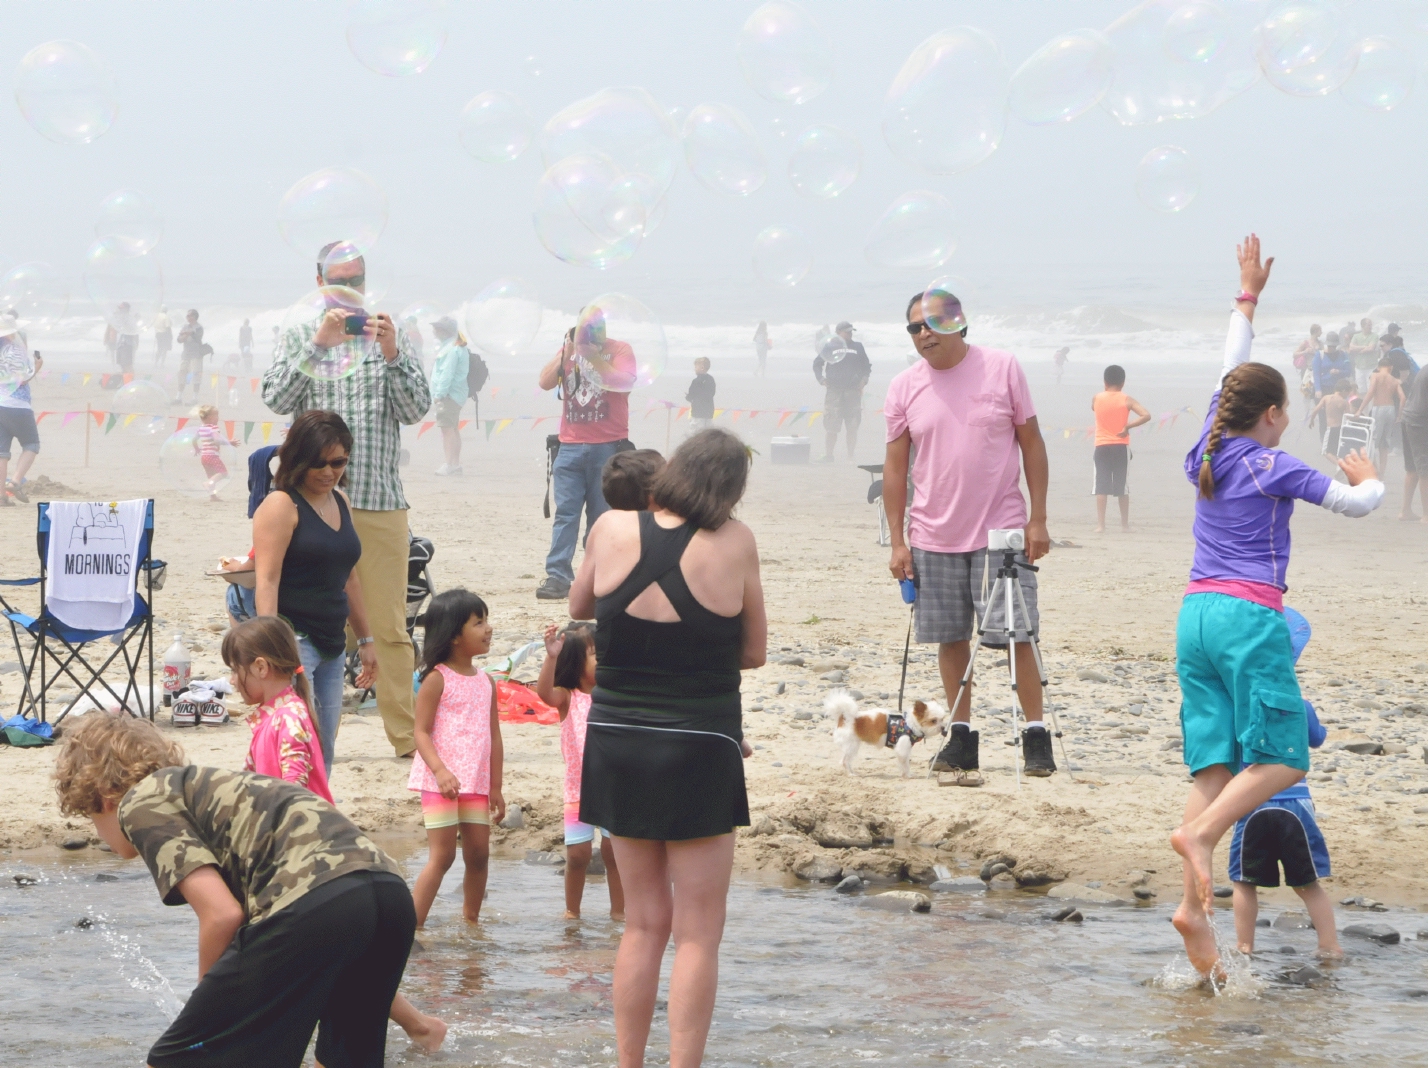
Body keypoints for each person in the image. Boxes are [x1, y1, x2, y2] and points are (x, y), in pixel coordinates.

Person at [1169, 234, 1383, 979]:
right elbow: (1356, 506)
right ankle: (1199, 845)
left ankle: (1194, 910)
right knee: (1285, 758)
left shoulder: (1209, 442)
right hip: (1245, 618)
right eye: (1283, 411)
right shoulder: (1270, 462)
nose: (1287, 422)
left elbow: (1231, 362)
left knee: (1216, 767)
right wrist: (1370, 476)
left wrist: (1247, 295)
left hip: (1192, 617)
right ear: (1270, 414)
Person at [53, 714, 417, 1068]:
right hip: (389, 894)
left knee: (177, 1058)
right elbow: (344, 908)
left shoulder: (139, 802)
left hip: (315, 898)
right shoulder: (215, 791)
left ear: (103, 796)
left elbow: (222, 914)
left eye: (90, 817)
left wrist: (207, 1009)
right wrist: (415, 1021)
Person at [570, 428, 766, 1068]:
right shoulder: (735, 541)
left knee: (642, 924)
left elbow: (581, 605)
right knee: (698, 935)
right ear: (731, 488)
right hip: (699, 742)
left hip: (617, 737)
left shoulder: (610, 527)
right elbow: (754, 652)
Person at [223, 615, 448, 1053]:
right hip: (300, 856)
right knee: (345, 962)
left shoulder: (288, 718)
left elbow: (289, 790)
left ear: (262, 668)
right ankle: (419, 1026)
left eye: (237, 669)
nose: (232, 680)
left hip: (311, 857)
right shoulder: (275, 715)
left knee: (321, 960)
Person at [263, 241, 431, 760]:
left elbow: (416, 408)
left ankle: (408, 739)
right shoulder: (298, 333)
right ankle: (303, 730)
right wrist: (317, 345)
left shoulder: (389, 332)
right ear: (320, 282)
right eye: (339, 279)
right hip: (312, 500)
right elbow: (276, 398)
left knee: (388, 625)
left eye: (356, 279)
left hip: (378, 496)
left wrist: (394, 354)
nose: (349, 289)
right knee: (314, 620)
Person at [885, 287, 1052, 786]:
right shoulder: (903, 387)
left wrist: (1038, 518)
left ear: (958, 322)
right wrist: (898, 541)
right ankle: (961, 736)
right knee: (951, 637)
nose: (923, 335)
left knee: (1019, 634)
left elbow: (1032, 443)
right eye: (914, 328)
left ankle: (1036, 735)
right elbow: (895, 470)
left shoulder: (1003, 367)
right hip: (932, 535)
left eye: (931, 324)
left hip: (1000, 531)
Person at [253, 409, 378, 772]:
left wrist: (367, 640)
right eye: (318, 463)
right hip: (294, 640)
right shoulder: (281, 505)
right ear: (298, 460)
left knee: (324, 744)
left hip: (333, 642)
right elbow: (267, 579)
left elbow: (349, 576)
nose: (328, 472)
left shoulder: (341, 501)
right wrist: (272, 648)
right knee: (293, 743)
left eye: (338, 462)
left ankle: (316, 818)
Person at [1230, 608, 1340, 959]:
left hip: (1252, 801)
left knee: (1244, 882)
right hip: (1295, 803)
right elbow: (1317, 738)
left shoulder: (1239, 704)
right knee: (1308, 885)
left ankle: (1244, 948)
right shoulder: (1299, 703)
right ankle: (1329, 946)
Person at [408, 588, 505, 926]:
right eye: (478, 623)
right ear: (453, 637)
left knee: (479, 854)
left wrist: (496, 786)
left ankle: (471, 923)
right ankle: (413, 926)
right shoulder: (436, 679)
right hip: (440, 782)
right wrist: (440, 771)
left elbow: (494, 736)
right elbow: (419, 732)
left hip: (475, 783)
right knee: (443, 856)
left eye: (486, 620)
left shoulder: (486, 682)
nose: (488, 628)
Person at [535, 309, 637, 601]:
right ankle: (558, 575)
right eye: (584, 327)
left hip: (607, 444)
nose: (590, 333)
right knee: (565, 513)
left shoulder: (619, 350)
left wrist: (592, 357)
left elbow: (626, 382)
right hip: (569, 445)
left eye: (595, 327)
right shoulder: (570, 350)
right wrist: (567, 352)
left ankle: (598, 573)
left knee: (602, 515)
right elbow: (544, 382)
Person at [536, 621, 625, 922]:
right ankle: (572, 912)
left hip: (614, 789)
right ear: (576, 661)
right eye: (594, 654)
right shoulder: (569, 697)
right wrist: (551, 657)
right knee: (578, 856)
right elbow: (544, 694)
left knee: (616, 855)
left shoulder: (613, 694)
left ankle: (619, 913)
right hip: (578, 790)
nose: (602, 659)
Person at [1091, 364, 1151, 533]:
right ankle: (1124, 525)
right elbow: (1146, 415)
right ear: (1123, 382)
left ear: (1105, 381)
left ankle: (1101, 525)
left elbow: (1094, 408)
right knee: (1121, 487)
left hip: (1101, 445)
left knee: (1101, 486)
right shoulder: (1127, 399)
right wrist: (1127, 426)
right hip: (1120, 446)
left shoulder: (1097, 398)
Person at [813, 321, 871, 463]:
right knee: (831, 426)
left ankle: (850, 455)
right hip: (834, 392)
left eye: (851, 331)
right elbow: (817, 364)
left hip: (853, 392)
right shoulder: (830, 346)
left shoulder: (858, 347)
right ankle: (829, 455)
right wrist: (821, 379)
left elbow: (866, 366)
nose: (850, 334)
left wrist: (864, 380)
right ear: (838, 332)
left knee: (852, 426)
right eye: (847, 331)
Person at [0, 312, 41, 506]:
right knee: (31, 444)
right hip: (17, 405)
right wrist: (37, 367)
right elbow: (21, 380)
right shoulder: (14, 350)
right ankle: (15, 481)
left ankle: (1, 496)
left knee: (1, 452)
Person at [428, 315, 470, 476]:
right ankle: (455, 464)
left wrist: (439, 394)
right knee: (453, 429)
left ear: (445, 331)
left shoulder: (452, 348)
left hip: (448, 396)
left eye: (437, 328)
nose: (434, 330)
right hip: (455, 395)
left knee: (447, 430)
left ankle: (450, 464)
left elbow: (447, 373)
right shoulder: (454, 346)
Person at [1354, 356, 1405, 471]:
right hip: (1391, 410)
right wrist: (1399, 415)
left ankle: (1372, 469)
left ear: (1378, 367)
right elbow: (1403, 398)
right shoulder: (1394, 380)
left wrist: (1360, 409)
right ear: (1390, 368)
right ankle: (1381, 473)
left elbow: (1371, 392)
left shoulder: (1375, 375)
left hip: (1379, 408)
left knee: (1372, 440)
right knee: (1384, 443)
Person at [1401, 350, 1428, 521]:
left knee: (1413, 468)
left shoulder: (1424, 369)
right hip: (1418, 423)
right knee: (1425, 468)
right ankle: (1427, 515)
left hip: (1408, 419)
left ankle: (1405, 511)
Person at [194, 404, 238, 502]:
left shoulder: (201, 428)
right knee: (223, 473)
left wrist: (197, 448)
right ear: (210, 417)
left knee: (212, 476)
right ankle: (208, 483)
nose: (218, 418)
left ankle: (213, 497)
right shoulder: (213, 428)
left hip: (204, 457)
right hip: (212, 456)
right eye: (216, 415)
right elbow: (217, 440)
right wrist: (229, 442)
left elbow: (194, 439)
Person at [1307, 378, 1354, 459]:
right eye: (1348, 392)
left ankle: (1340, 465)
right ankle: (1340, 466)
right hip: (1340, 429)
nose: (1348, 395)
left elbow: (1315, 410)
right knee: (1335, 451)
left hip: (1331, 429)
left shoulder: (1327, 398)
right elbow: (1348, 417)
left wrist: (1311, 421)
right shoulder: (1344, 402)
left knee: (1326, 452)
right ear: (1343, 390)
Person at [1311, 331, 1352, 401]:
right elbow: (1316, 374)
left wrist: (1338, 372)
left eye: (1334, 346)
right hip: (1324, 388)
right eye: (1330, 345)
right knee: (1323, 411)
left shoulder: (1343, 354)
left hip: (1340, 389)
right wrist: (1318, 389)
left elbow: (1349, 372)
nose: (1332, 347)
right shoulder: (1319, 355)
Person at [176, 308, 205, 404]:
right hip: (186, 354)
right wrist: (186, 334)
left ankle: (195, 398)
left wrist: (189, 333)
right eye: (187, 316)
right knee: (182, 373)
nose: (187, 317)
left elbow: (197, 336)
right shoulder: (185, 326)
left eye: (189, 315)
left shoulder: (199, 327)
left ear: (194, 317)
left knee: (196, 375)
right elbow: (179, 339)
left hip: (196, 354)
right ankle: (179, 397)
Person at [686, 356, 715, 431]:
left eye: (695, 367)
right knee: (707, 433)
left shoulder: (696, 381)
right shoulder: (711, 379)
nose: (694, 369)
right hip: (708, 412)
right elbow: (712, 393)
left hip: (697, 412)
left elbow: (691, 394)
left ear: (702, 368)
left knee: (695, 432)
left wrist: (688, 397)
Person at [1350, 316, 1378, 392]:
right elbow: (1351, 347)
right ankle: (1362, 403)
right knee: (1360, 389)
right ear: (1363, 326)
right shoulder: (1356, 336)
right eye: (1368, 325)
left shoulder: (1374, 336)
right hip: (1359, 367)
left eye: (1371, 325)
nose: (1370, 326)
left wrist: (1359, 349)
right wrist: (1365, 347)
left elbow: (1371, 348)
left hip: (1371, 367)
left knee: (1371, 389)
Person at [115, 302, 140, 378]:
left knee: (128, 364)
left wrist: (136, 343)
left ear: (126, 309)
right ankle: (125, 381)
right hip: (121, 344)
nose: (120, 310)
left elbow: (134, 331)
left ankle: (131, 380)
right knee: (122, 364)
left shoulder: (129, 319)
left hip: (127, 344)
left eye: (121, 309)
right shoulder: (121, 318)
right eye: (120, 308)